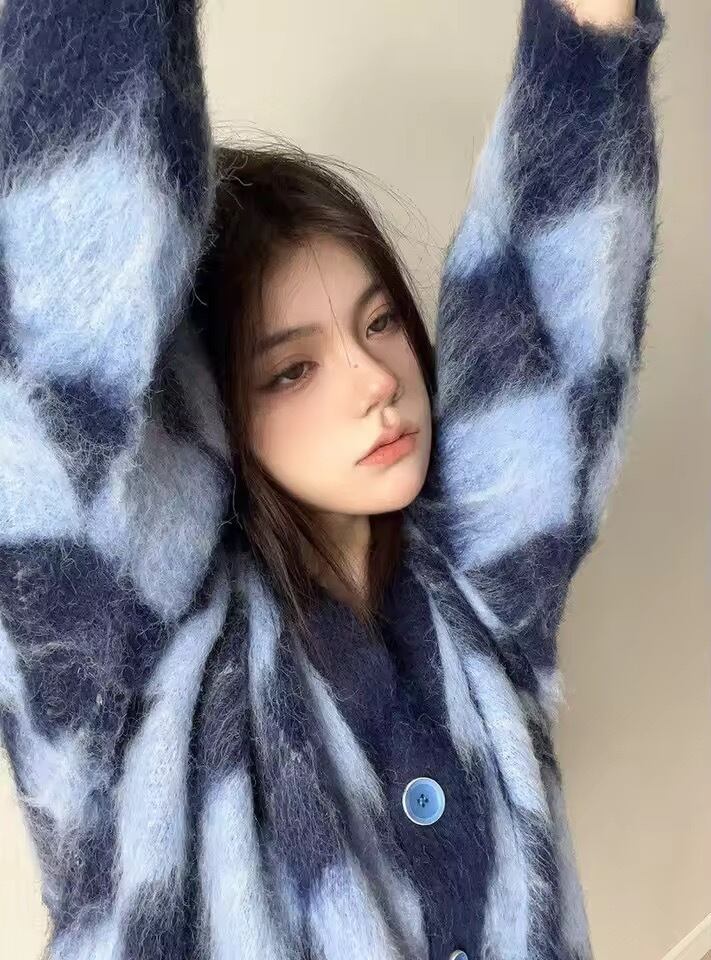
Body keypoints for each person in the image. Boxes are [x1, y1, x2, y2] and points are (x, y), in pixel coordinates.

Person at [0, 0, 666, 958]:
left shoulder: (476, 594)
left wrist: (588, 34)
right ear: (203, 416)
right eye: (291, 370)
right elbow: (60, 343)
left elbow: (555, 330)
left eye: (379, 322)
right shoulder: (123, 681)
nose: (374, 381)